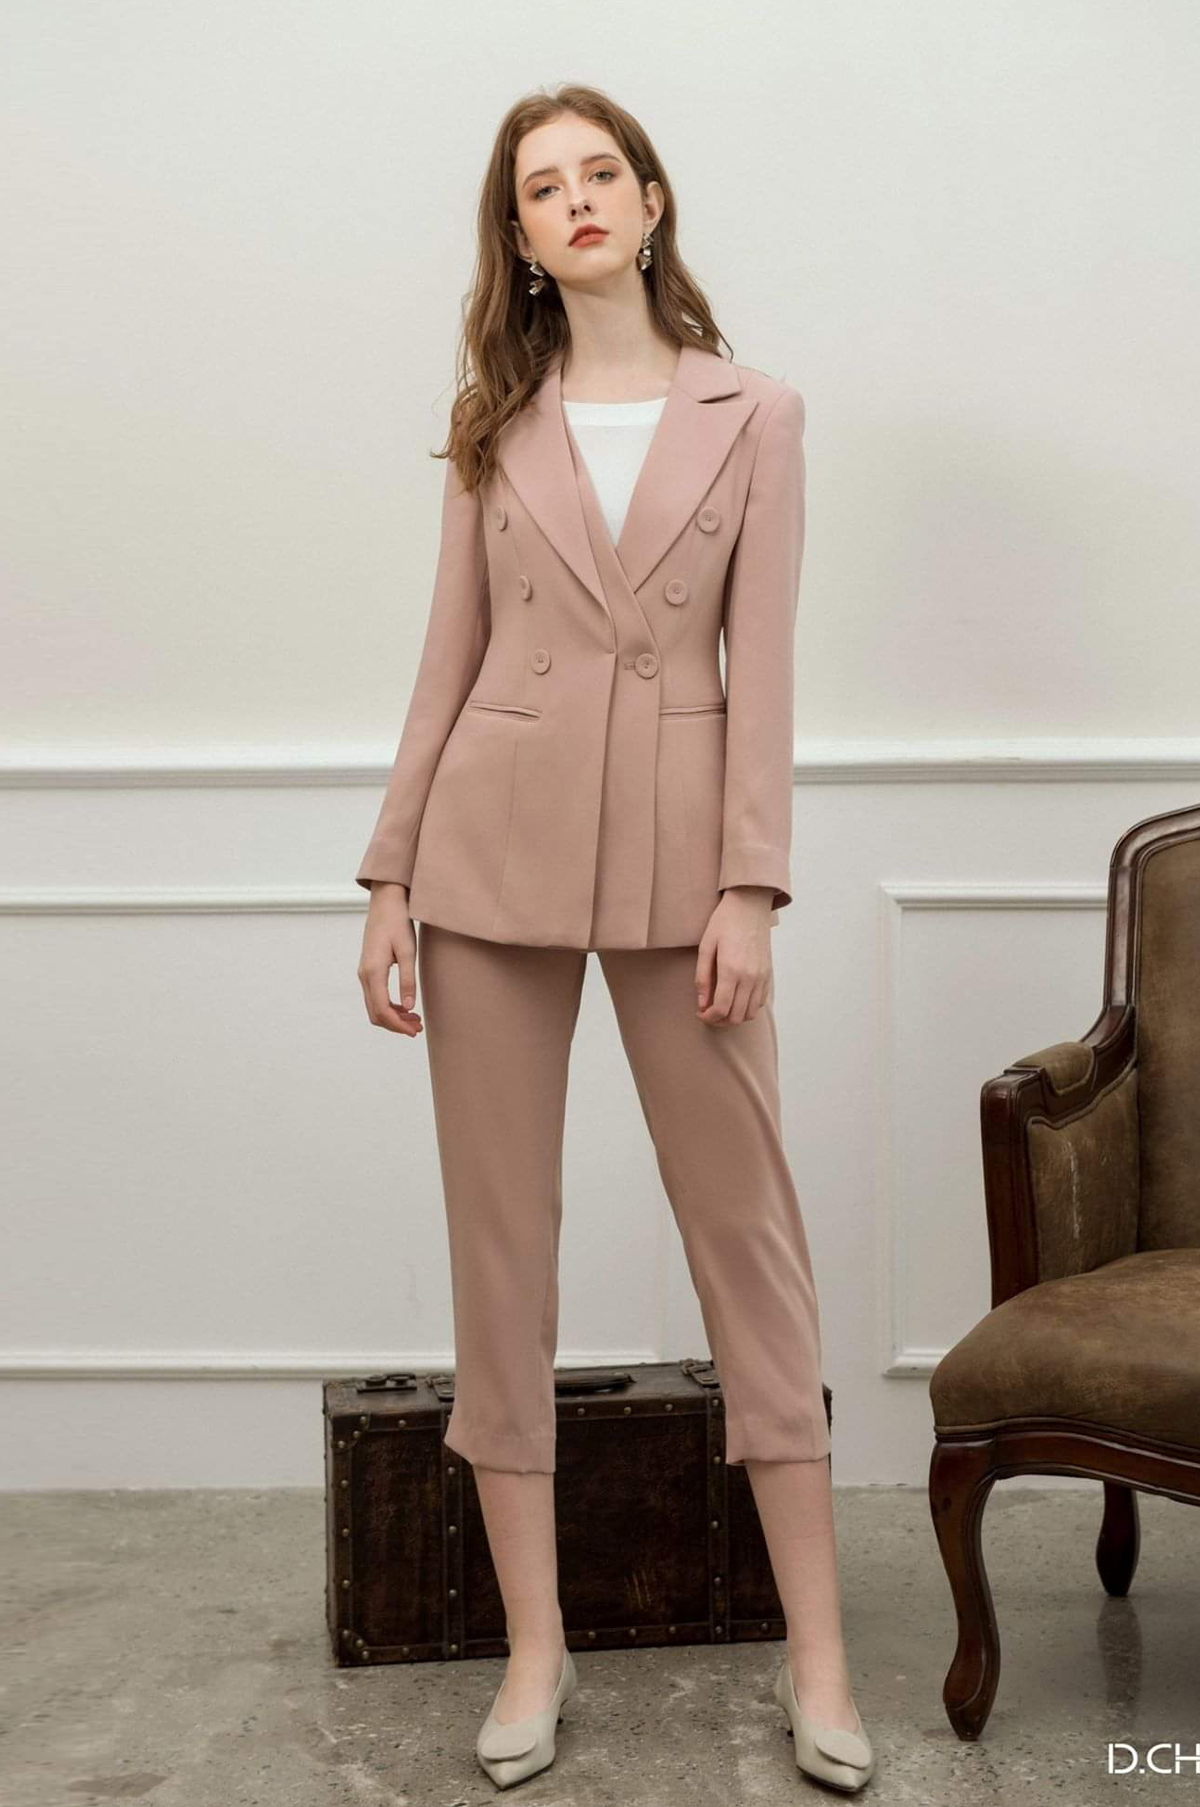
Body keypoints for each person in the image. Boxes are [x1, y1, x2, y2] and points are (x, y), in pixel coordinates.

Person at [355, 83, 874, 1794]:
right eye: (542, 188)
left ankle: (819, 1660)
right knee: (500, 1252)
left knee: (750, 1241)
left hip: (682, 867)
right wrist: (387, 878)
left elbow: (762, 670)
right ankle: (536, 1648)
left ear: (651, 204)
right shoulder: (492, 420)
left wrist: (751, 887)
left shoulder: (758, 413)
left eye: (601, 173)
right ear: (519, 238)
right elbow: (445, 659)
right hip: (487, 857)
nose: (575, 200)